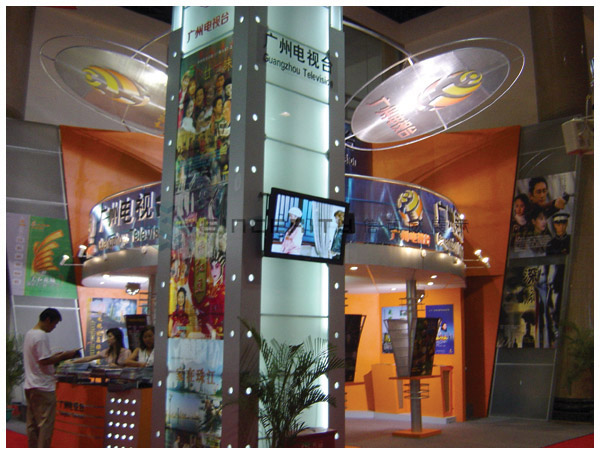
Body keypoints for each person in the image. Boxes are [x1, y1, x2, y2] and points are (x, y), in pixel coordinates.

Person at [23, 308, 80, 447]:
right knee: (45, 425)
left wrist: (57, 356)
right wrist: (65, 355)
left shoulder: (30, 334)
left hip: (30, 384)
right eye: (54, 324)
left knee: (32, 424)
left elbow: (40, 358)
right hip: (43, 386)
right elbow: (44, 361)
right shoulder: (41, 336)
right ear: (48, 320)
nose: (54, 327)